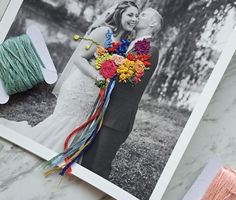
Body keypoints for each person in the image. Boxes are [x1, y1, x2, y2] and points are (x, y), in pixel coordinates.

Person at [0, 1, 139, 153]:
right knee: (66, 121)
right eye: (130, 15)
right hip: (81, 85)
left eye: (137, 16)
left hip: (95, 91)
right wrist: (97, 76)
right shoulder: (103, 32)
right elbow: (79, 58)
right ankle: (46, 151)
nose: (134, 19)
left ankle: (63, 153)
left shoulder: (124, 43)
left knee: (79, 124)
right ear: (119, 14)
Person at [81, 8, 163, 179]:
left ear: (153, 23)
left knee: (99, 166)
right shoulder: (128, 43)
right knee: (86, 159)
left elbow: (131, 79)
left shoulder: (151, 50)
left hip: (117, 118)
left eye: (143, 15)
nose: (138, 17)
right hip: (103, 110)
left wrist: (108, 65)